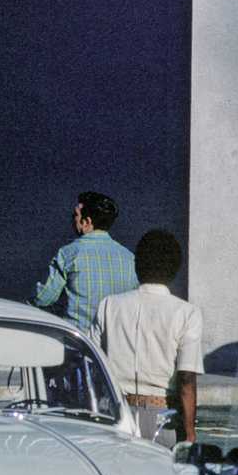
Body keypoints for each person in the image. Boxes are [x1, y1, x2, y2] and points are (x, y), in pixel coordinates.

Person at [90, 229, 203, 446]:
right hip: (162, 417)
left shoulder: (108, 305)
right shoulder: (187, 313)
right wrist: (190, 430)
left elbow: (91, 365)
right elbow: (186, 378)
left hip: (114, 413)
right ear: (175, 268)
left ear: (137, 265)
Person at [30, 191, 137, 333]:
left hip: (78, 341)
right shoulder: (130, 258)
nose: (72, 219)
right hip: (116, 342)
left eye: (75, 215)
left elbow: (42, 298)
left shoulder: (68, 253)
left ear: (86, 222)